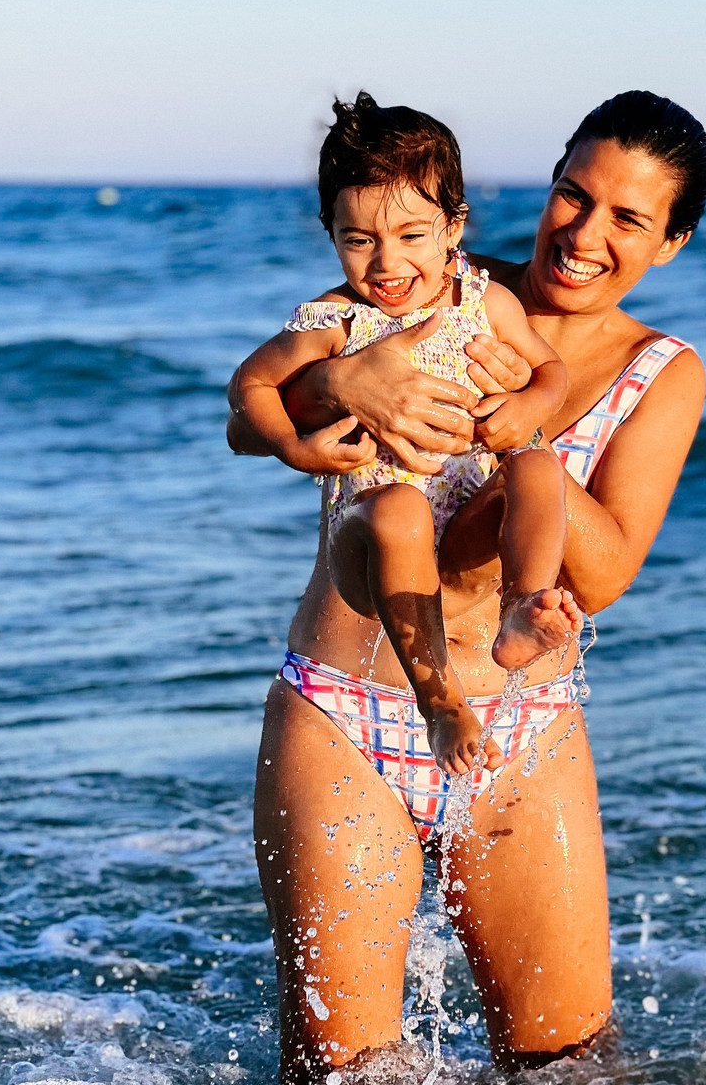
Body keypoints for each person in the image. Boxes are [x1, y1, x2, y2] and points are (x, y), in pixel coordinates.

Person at [227, 90, 706, 1085]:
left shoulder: (659, 371)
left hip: (521, 727)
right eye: (573, 195)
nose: (584, 232)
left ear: (671, 241)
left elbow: (609, 571)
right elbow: (274, 393)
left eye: (627, 217)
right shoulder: (432, 285)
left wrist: (527, 436)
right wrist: (348, 384)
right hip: (349, 711)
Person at [228, 93, 580, 779]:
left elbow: (551, 369)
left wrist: (530, 402)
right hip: (374, 542)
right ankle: (440, 700)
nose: (386, 263)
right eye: (359, 240)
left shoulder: (485, 301)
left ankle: (521, 610)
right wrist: (298, 447)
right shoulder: (334, 319)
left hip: (469, 530)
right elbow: (249, 386)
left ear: (454, 226)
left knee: (537, 465)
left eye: (411, 235)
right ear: (330, 232)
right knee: (400, 508)